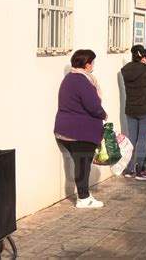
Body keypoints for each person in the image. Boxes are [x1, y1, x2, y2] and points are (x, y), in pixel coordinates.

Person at [54, 49, 107, 209]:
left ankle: (85, 195)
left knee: (79, 164)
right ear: (87, 64)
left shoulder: (69, 78)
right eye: (92, 63)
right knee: (83, 165)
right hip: (80, 132)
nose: (93, 66)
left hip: (65, 130)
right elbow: (93, 106)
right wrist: (103, 114)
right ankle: (83, 198)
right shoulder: (82, 81)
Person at [121, 45, 146, 181]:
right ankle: (141, 170)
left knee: (132, 138)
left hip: (131, 109)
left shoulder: (125, 70)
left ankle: (129, 169)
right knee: (143, 139)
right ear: (144, 58)